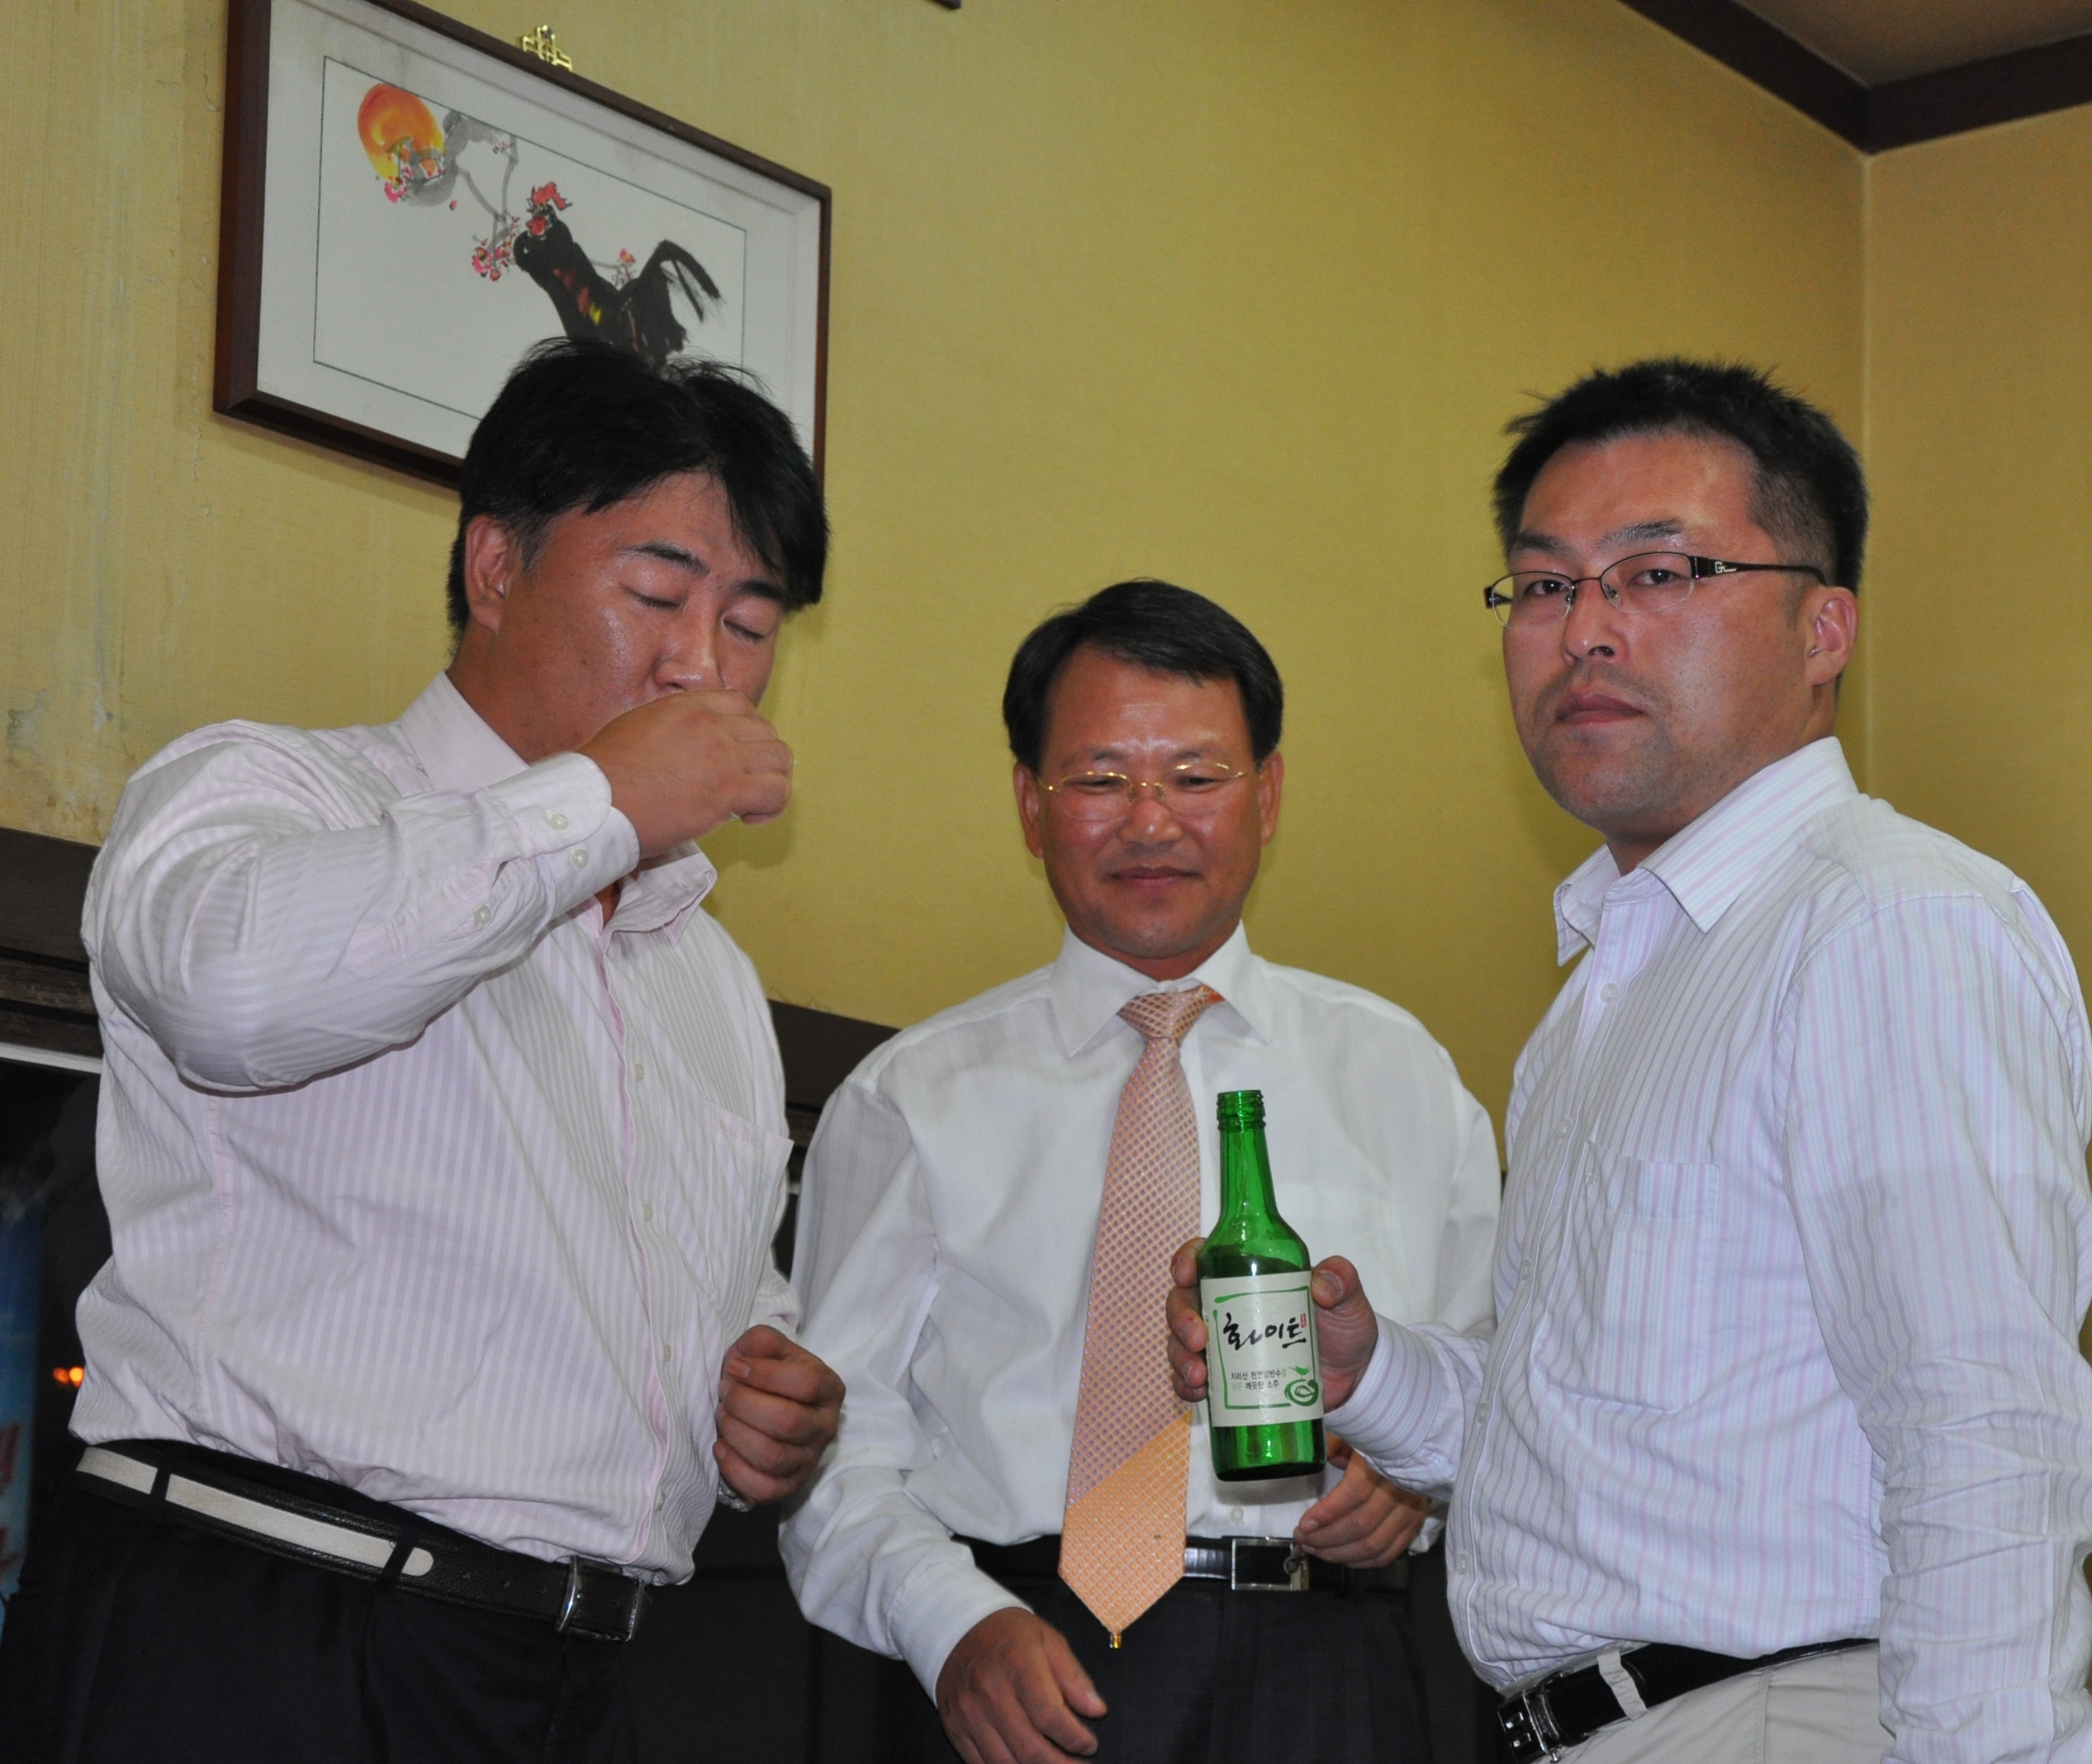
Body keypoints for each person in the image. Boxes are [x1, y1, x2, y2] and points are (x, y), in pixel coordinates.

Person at [1170, 360, 2092, 1763]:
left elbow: (1984, 1433)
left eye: (1660, 573)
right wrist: (1364, 1370)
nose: (1586, 632)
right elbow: (1590, 1452)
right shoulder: (1605, 1003)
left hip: (1796, 1719)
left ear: (1824, 629)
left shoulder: (1883, 922)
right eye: (1543, 586)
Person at [0, 339, 847, 1764]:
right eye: (657, 596)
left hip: (570, 1669)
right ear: (495, 566)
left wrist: (763, 1387)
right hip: (258, 1624)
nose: (704, 664)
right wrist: (598, 801)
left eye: (751, 624)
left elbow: (696, 1272)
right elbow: (235, 994)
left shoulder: (704, 972)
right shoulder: (264, 792)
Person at [781, 581, 1498, 1764]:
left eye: (1197, 776)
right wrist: (949, 1625)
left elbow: (1501, 1389)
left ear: (1269, 795)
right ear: (1031, 806)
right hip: (1023, 1658)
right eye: (1101, 779)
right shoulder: (912, 1096)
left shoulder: (1402, 1074)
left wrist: (1417, 1487)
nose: (1151, 821)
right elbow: (829, 1440)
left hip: (1330, 1667)